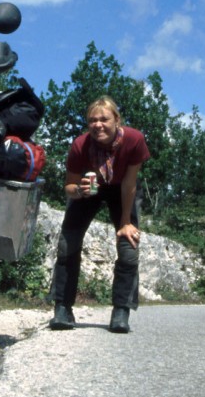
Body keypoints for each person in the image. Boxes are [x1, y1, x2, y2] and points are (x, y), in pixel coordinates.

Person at [49, 96, 150, 333]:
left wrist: (125, 222)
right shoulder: (79, 145)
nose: (98, 125)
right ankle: (62, 308)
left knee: (128, 245)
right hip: (90, 188)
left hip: (123, 188)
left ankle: (121, 312)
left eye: (104, 119)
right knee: (67, 244)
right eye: (92, 121)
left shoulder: (134, 140)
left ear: (116, 120)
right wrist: (79, 191)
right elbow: (68, 187)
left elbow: (130, 183)